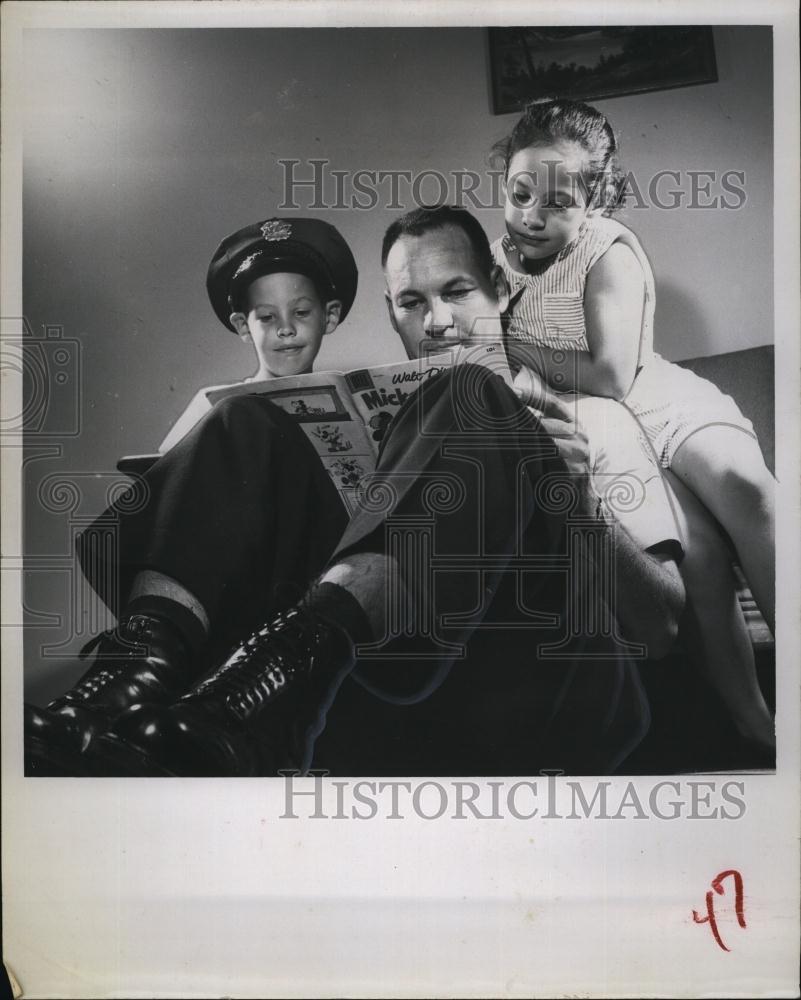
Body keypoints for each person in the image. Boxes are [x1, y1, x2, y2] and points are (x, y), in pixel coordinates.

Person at [41, 205, 685, 779]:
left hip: (536, 687)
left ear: (499, 289)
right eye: (411, 302)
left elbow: (661, 625)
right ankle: (126, 688)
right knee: (244, 421)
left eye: (456, 291)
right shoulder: (390, 412)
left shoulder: (595, 412)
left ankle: (270, 683)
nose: (436, 321)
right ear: (390, 311)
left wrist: (578, 499)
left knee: (469, 393)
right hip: (380, 694)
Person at [490, 97, 776, 752]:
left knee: (747, 491)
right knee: (696, 559)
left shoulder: (605, 248)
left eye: (557, 202)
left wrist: (511, 338)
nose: (532, 215)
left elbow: (615, 374)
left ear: (593, 201)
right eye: (519, 192)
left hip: (656, 402)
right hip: (610, 430)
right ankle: (757, 726)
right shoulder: (500, 262)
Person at [24, 216, 359, 773]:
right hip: (240, 579)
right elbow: (174, 507)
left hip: (314, 572)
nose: (286, 330)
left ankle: (145, 684)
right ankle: (126, 681)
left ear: (331, 316)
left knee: (247, 423)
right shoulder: (219, 409)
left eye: (302, 313)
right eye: (266, 317)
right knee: (239, 419)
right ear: (240, 324)